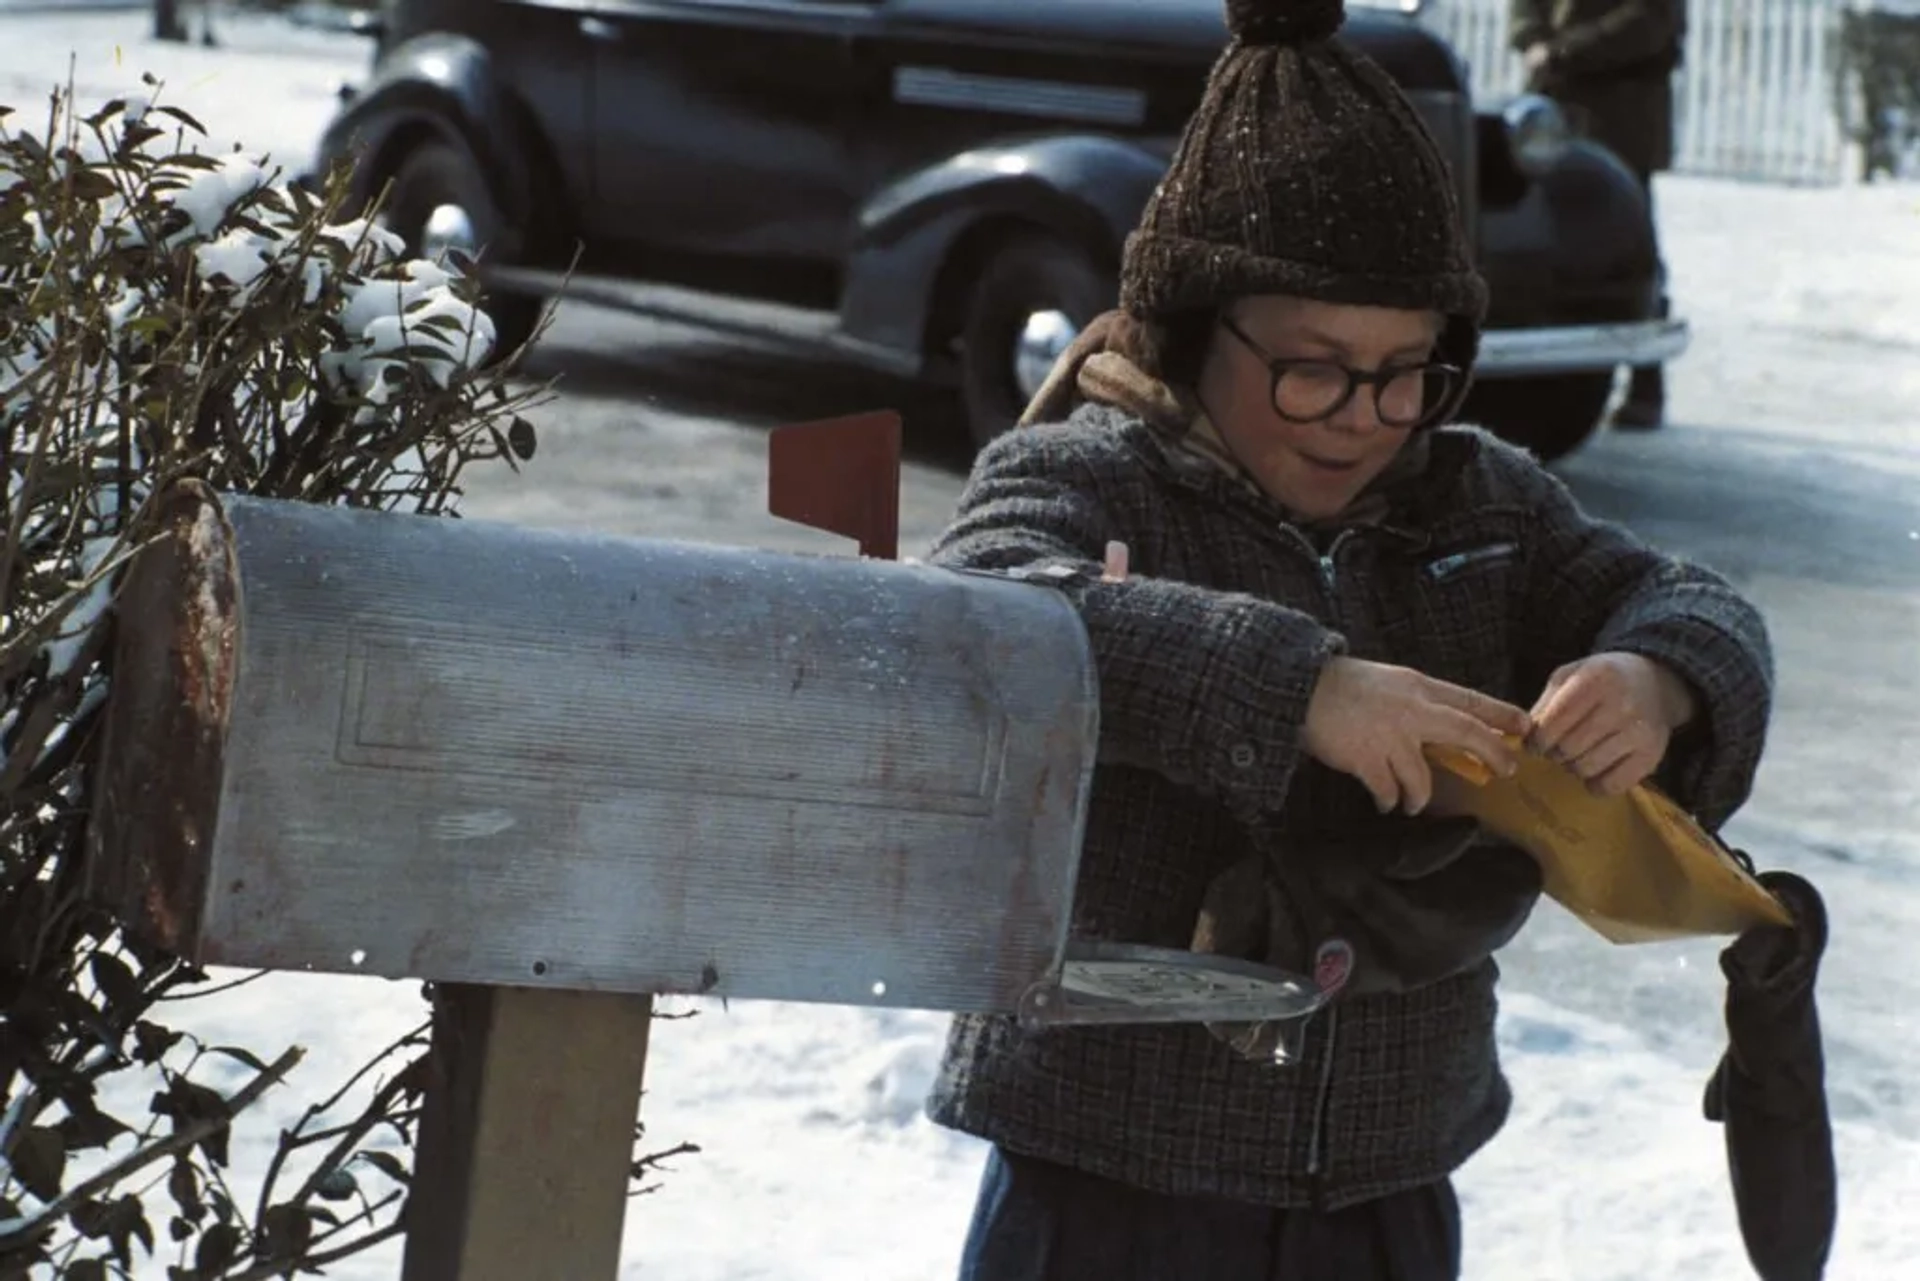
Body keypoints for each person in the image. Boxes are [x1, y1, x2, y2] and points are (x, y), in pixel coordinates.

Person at [919, 0, 1774, 1277]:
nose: (1362, 417)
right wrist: (1302, 689)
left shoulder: (1479, 501)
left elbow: (1701, 604)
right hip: (1104, 1170)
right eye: (1313, 367)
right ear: (1196, 325)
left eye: (1406, 370)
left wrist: (1658, 677)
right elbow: (985, 618)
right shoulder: (1086, 477)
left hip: (1387, 1178)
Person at [1510, 0, 1687, 428]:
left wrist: (1565, 51)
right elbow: (1525, 9)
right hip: (1555, 103)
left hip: (1620, 110)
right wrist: (1533, 39)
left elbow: (1651, 21)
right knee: (1543, 238)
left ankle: (1646, 384)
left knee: (1627, 244)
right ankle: (1543, 381)